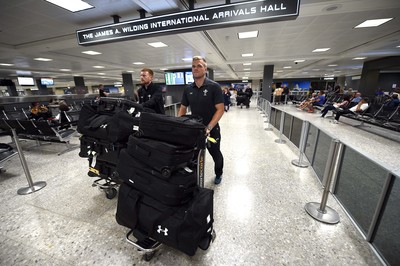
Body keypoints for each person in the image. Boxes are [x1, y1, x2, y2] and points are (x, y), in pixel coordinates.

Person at [178, 56, 225, 185]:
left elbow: (220, 109)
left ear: (205, 69)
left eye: (199, 66)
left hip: (212, 129)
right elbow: (182, 108)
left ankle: (219, 173)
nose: (196, 68)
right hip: (195, 129)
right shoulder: (188, 89)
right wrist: (180, 124)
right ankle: (194, 178)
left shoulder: (214, 87)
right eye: (193, 66)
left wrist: (209, 127)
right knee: (193, 156)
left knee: (215, 153)